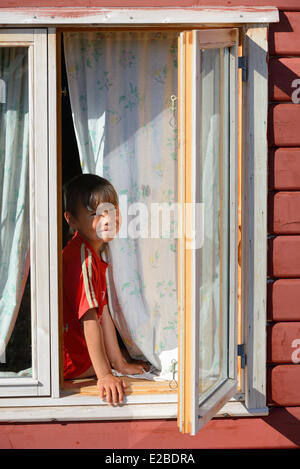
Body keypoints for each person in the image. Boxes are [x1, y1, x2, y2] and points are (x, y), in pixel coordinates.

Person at [62, 173, 149, 406]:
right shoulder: (83, 258)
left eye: (110, 211)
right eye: (94, 215)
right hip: (73, 364)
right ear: (71, 220)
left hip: (84, 359)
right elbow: (90, 319)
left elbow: (103, 314)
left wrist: (118, 363)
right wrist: (105, 375)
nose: (106, 220)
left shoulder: (93, 252)